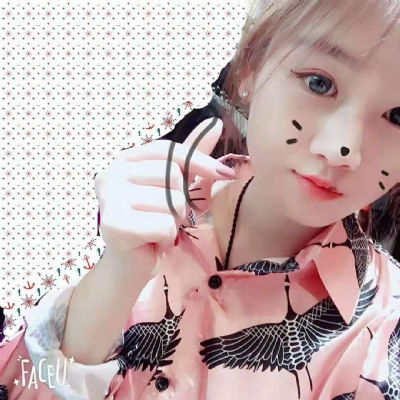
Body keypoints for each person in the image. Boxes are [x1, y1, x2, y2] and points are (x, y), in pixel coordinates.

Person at [2, 0, 400, 399]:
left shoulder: (385, 334)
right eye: (319, 83)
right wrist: (117, 274)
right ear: (250, 66)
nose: (342, 149)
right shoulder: (98, 205)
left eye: (398, 117)